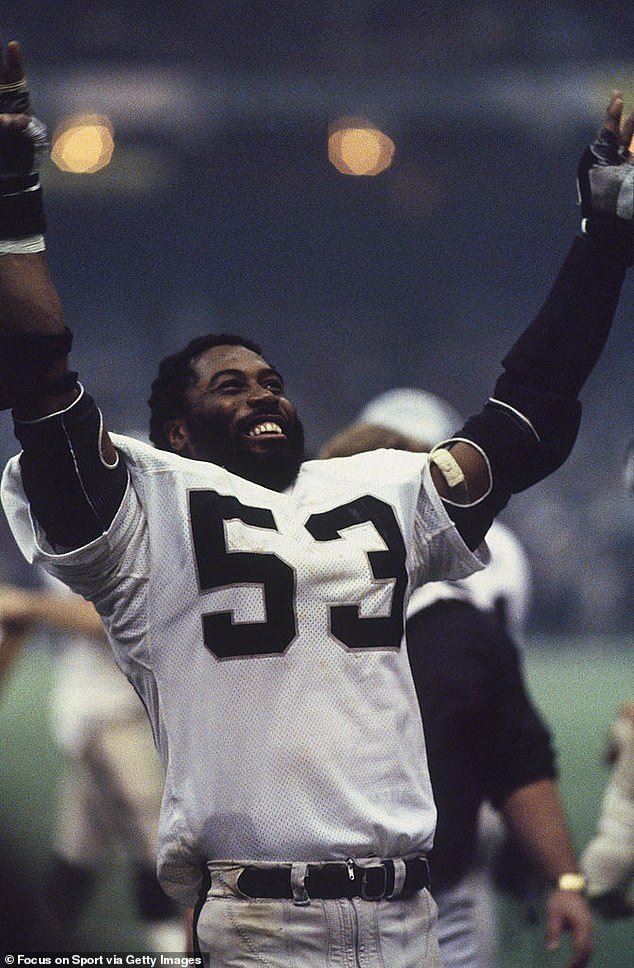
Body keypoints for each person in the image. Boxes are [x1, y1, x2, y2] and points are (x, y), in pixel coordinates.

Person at [0, 38, 632, 966]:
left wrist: (605, 236)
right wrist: (15, 200)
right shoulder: (143, 513)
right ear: (176, 432)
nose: (263, 394)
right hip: (264, 919)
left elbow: (530, 411)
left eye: (272, 381)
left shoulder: (380, 485)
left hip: (408, 915)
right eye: (228, 385)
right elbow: (43, 380)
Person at [320, 389, 594, 968]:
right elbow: (506, 719)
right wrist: (560, 873)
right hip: (455, 813)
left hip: (342, 863)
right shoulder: (494, 558)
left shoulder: (310, 577)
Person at [0, 578, 185, 952]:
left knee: (80, 849)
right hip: (107, 714)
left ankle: (33, 945)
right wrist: (26, 610)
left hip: (118, 709)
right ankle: (170, 941)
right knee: (155, 838)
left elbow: (105, 618)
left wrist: (28, 604)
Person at [581, 701, 634, 920]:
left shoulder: (623, 728)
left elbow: (609, 757)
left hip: (612, 846)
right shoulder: (623, 728)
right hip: (617, 843)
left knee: (569, 884)